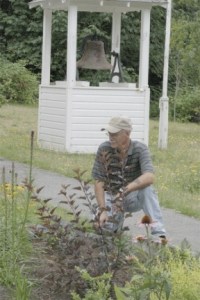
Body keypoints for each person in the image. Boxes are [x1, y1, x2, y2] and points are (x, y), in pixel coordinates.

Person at [92, 116, 166, 238]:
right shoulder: (104, 149)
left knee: (148, 190)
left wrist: (123, 192)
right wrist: (102, 210)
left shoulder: (140, 149)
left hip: (131, 197)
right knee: (102, 229)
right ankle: (115, 228)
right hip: (111, 196)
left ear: (127, 133)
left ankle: (159, 234)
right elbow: (99, 181)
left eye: (114, 134)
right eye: (109, 133)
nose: (111, 137)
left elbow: (149, 177)